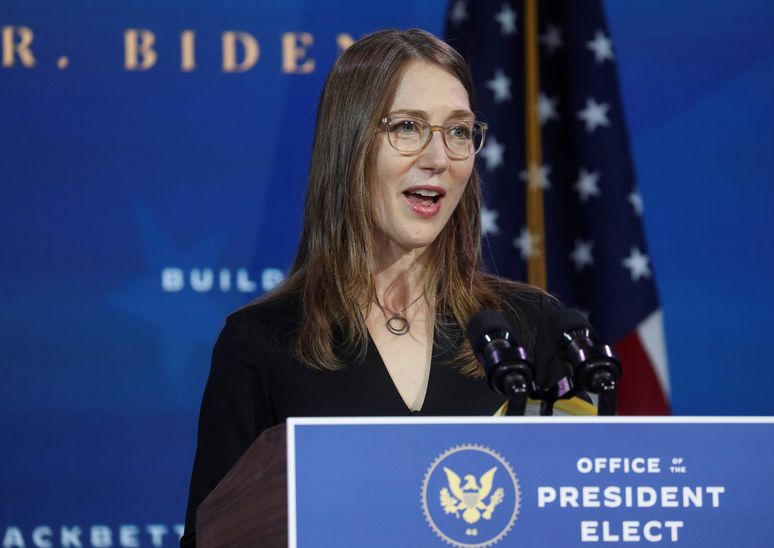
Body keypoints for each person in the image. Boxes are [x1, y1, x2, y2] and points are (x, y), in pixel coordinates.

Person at [180, 28, 568, 546]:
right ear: (350, 143)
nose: (439, 157)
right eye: (408, 127)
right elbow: (214, 536)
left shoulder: (528, 328)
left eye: (458, 131)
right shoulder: (261, 343)